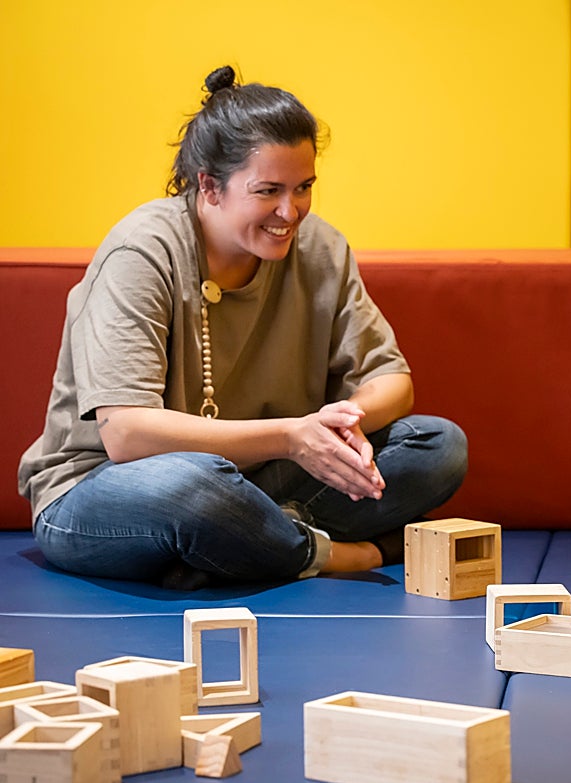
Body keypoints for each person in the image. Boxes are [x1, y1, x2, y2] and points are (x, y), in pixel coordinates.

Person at [17, 66, 467, 589]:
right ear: (209, 186)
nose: (289, 211)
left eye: (304, 187)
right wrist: (292, 438)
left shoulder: (321, 248)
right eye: (268, 190)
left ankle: (239, 544)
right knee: (194, 486)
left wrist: (340, 425)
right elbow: (127, 434)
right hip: (106, 489)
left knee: (437, 445)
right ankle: (344, 555)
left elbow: (392, 380)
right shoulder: (141, 251)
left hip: (254, 479)